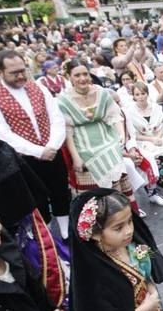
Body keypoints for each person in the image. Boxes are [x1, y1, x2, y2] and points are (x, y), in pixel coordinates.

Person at [0, 50, 71, 238]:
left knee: (60, 191)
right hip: (24, 159)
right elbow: (4, 134)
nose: (21, 76)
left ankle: (65, 232)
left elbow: (56, 118)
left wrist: (52, 146)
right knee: (36, 199)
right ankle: (46, 237)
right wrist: (38, 151)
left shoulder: (39, 88)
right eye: (14, 73)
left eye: (23, 70)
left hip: (52, 150)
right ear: (0, 72)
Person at [57, 59, 139, 212]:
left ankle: (124, 218)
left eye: (85, 74)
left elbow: (115, 115)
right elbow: (68, 132)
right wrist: (76, 157)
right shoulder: (63, 101)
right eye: (77, 75)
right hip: (83, 148)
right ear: (69, 77)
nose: (82, 78)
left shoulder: (101, 93)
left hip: (108, 142)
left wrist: (120, 136)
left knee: (117, 186)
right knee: (94, 196)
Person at [125, 81, 163, 197]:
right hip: (143, 141)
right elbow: (133, 134)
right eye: (137, 94)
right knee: (155, 154)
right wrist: (151, 139)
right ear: (133, 96)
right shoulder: (129, 111)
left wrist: (157, 138)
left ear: (147, 94)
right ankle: (162, 184)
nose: (141, 97)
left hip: (160, 136)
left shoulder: (157, 108)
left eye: (143, 94)